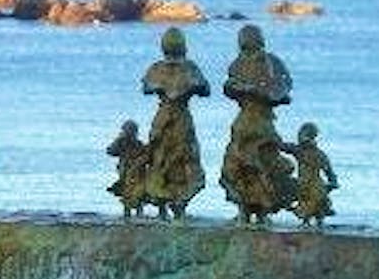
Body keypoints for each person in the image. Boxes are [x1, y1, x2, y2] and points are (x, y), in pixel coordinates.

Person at [219, 24, 296, 225]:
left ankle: (262, 208)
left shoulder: (271, 62)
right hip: (245, 119)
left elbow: (282, 90)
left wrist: (256, 90)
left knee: (263, 161)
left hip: (262, 120)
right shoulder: (237, 64)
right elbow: (229, 87)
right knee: (237, 164)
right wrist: (236, 88)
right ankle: (244, 207)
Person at [141, 27, 210, 220]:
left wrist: (165, 86)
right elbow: (205, 89)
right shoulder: (189, 68)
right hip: (179, 117)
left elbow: (147, 86)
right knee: (182, 157)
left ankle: (165, 204)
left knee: (162, 157)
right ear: (183, 46)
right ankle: (176, 203)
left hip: (164, 116)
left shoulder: (156, 68)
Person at [280, 123, 339, 228]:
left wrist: (333, 181)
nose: (298, 137)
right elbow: (329, 171)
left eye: (301, 135)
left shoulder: (300, 151)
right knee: (314, 204)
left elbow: (285, 147)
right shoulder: (319, 153)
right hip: (314, 185)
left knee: (309, 203)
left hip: (308, 184)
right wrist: (333, 181)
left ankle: (309, 222)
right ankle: (315, 222)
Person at [106, 119, 148, 218]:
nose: (129, 133)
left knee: (138, 194)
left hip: (138, 172)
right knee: (126, 193)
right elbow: (110, 151)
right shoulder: (121, 142)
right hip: (125, 172)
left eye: (131, 130)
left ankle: (138, 214)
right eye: (127, 130)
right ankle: (128, 214)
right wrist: (118, 140)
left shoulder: (139, 144)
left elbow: (146, 156)